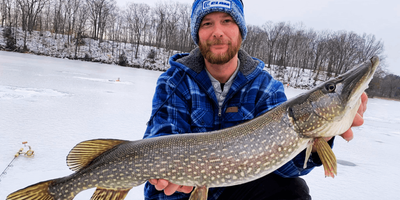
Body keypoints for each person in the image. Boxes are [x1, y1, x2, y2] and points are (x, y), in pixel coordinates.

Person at [143, 0, 368, 199]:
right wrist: (168, 178)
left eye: (227, 21)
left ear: (240, 31)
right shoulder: (173, 82)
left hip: (237, 189)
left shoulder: (265, 87)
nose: (217, 31)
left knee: (292, 190)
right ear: (197, 33)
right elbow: (162, 138)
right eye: (207, 23)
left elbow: (285, 168)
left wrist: (322, 139)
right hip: (180, 195)